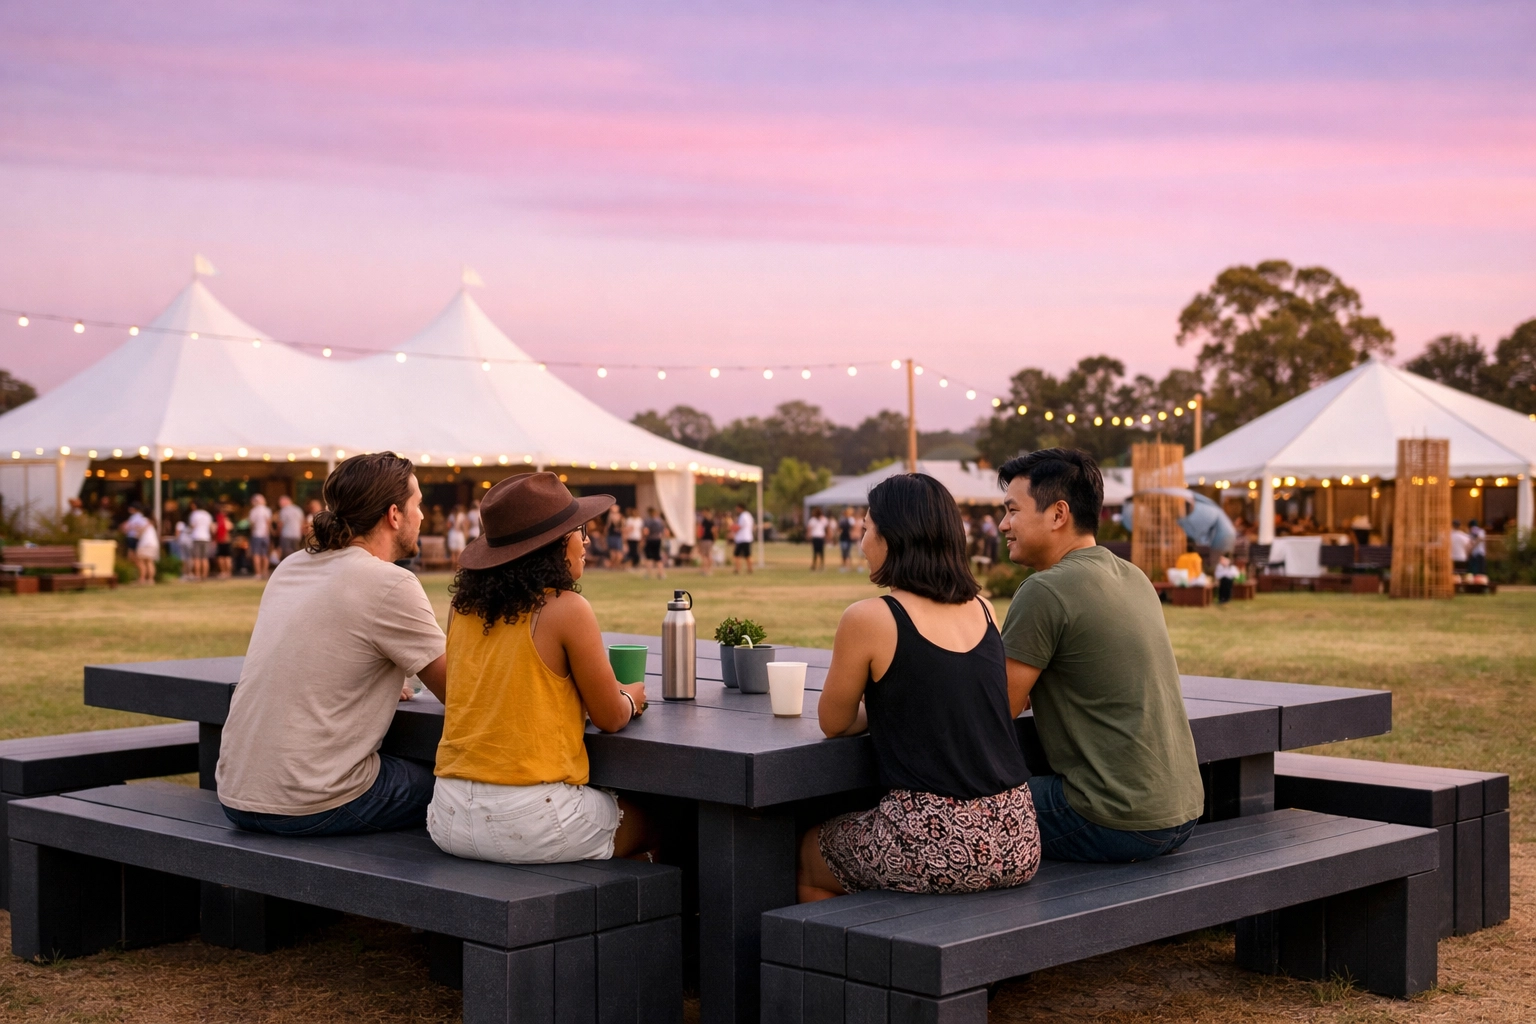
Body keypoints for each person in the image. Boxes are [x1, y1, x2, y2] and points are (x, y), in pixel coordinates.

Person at [799, 473, 1039, 901]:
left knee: (810, 852)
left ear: (893, 538)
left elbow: (833, 722)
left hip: (938, 842)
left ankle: (849, 966)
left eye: (868, 527)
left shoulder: (870, 617)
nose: (862, 540)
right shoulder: (983, 609)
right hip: (1017, 833)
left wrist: (888, 706)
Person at [429, 473, 656, 864]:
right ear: (552, 544)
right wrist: (631, 697)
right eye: (578, 530)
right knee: (664, 819)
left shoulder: (460, 608)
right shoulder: (566, 608)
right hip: (530, 819)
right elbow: (610, 716)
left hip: (447, 814)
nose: (585, 540)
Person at [217, 452, 447, 836]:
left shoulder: (291, 566)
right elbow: (461, 692)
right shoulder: (391, 583)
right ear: (394, 515)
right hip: (309, 802)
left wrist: (372, 683)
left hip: (237, 794)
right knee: (459, 789)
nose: (422, 516)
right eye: (418, 505)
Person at [997, 448, 1204, 862]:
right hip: (1183, 809)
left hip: (1111, 817)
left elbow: (997, 707)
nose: (1004, 524)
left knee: (956, 809)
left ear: (1058, 514)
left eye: (1012, 510)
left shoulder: (1044, 590)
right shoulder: (1133, 575)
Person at [187, 500, 213, 580]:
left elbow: (192, 525)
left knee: (196, 558)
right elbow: (211, 527)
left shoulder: (194, 514)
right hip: (206, 537)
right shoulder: (207, 514)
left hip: (197, 537)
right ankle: (204, 575)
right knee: (205, 558)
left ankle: (197, 575)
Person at [248, 494, 273, 579]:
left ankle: (258, 573)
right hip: (265, 535)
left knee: (256, 554)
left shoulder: (253, 511)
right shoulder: (267, 510)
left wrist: (251, 533)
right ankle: (264, 572)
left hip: (256, 534)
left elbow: (252, 524)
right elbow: (268, 522)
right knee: (265, 554)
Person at [642, 506, 668, 578]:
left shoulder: (647, 521)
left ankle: (648, 574)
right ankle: (661, 573)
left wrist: (643, 539)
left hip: (650, 539)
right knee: (657, 557)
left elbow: (645, 531)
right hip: (658, 539)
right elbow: (665, 531)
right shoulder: (660, 521)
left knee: (649, 557)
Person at [276, 494, 304, 561]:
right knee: (296, 553)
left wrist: (277, 533)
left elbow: (280, 524)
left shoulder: (284, 510)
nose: (280, 505)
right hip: (297, 535)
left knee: (287, 554)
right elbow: (302, 522)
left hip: (286, 534)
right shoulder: (298, 509)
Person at [134, 515, 160, 585]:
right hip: (153, 543)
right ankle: (151, 579)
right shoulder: (151, 524)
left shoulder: (143, 520)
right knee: (150, 561)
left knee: (141, 561)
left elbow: (139, 532)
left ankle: (142, 578)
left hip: (145, 543)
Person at [732, 503, 754, 574]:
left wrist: (732, 529)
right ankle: (749, 569)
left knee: (738, 555)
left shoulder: (743, 516)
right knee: (747, 555)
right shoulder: (748, 515)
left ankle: (738, 569)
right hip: (747, 537)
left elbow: (739, 526)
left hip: (742, 538)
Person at [806, 507, 830, 571]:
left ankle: (818, 565)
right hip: (818, 537)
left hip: (817, 537)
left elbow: (809, 529)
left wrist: (808, 536)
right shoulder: (815, 520)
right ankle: (818, 565)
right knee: (819, 552)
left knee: (817, 552)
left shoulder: (821, 520)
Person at [214, 504, 234, 579]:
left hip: (220, 540)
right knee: (227, 557)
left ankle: (223, 572)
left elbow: (214, 529)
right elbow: (230, 527)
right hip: (227, 540)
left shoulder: (218, 520)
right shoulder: (227, 520)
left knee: (221, 557)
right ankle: (228, 573)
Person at [446, 504, 468, 571]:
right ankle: (458, 567)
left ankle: (453, 568)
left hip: (452, 533)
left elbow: (448, 526)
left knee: (453, 553)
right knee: (459, 552)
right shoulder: (462, 516)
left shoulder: (451, 516)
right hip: (459, 534)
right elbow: (465, 526)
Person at [696, 509, 715, 576]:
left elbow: (700, 531)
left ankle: (705, 570)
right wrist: (714, 539)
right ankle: (710, 570)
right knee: (709, 555)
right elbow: (714, 531)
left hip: (704, 540)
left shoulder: (704, 522)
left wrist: (698, 539)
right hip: (710, 540)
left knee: (704, 556)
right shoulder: (711, 522)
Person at [605, 505, 624, 569]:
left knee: (617, 553)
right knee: (613, 552)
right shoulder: (611, 516)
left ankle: (615, 565)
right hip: (613, 535)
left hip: (616, 536)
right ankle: (613, 566)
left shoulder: (616, 516)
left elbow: (618, 525)